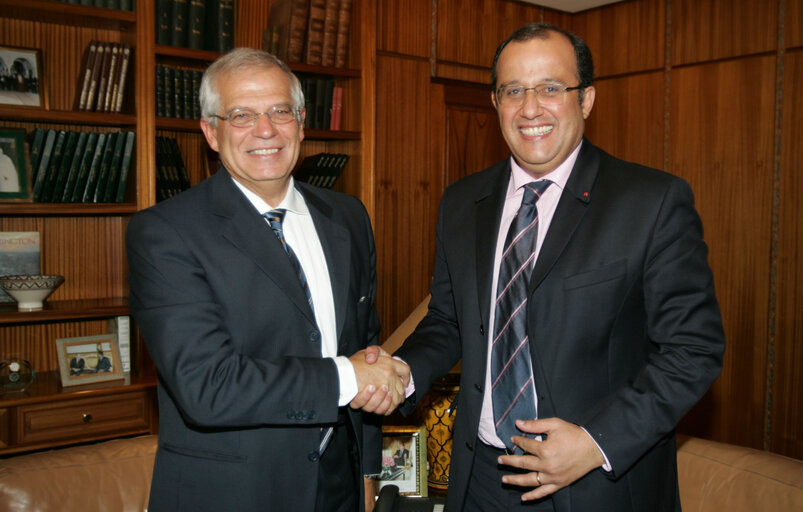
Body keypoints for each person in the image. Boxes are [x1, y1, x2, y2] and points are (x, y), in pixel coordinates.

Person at [393, 23, 725, 512]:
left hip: (595, 485)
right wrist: (401, 372)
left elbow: (694, 350)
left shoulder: (651, 202)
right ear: (495, 102)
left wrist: (596, 442)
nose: (530, 108)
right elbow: (448, 320)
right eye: (513, 91)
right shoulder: (462, 202)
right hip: (480, 481)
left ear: (586, 99)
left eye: (551, 88)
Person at [126, 48, 409, 512]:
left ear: (301, 121)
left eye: (280, 111)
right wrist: (348, 374)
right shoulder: (164, 233)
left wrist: (367, 472)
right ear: (210, 132)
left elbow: (365, 345)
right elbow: (206, 385)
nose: (265, 130)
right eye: (241, 115)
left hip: (339, 487)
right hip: (233, 493)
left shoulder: (348, 216)